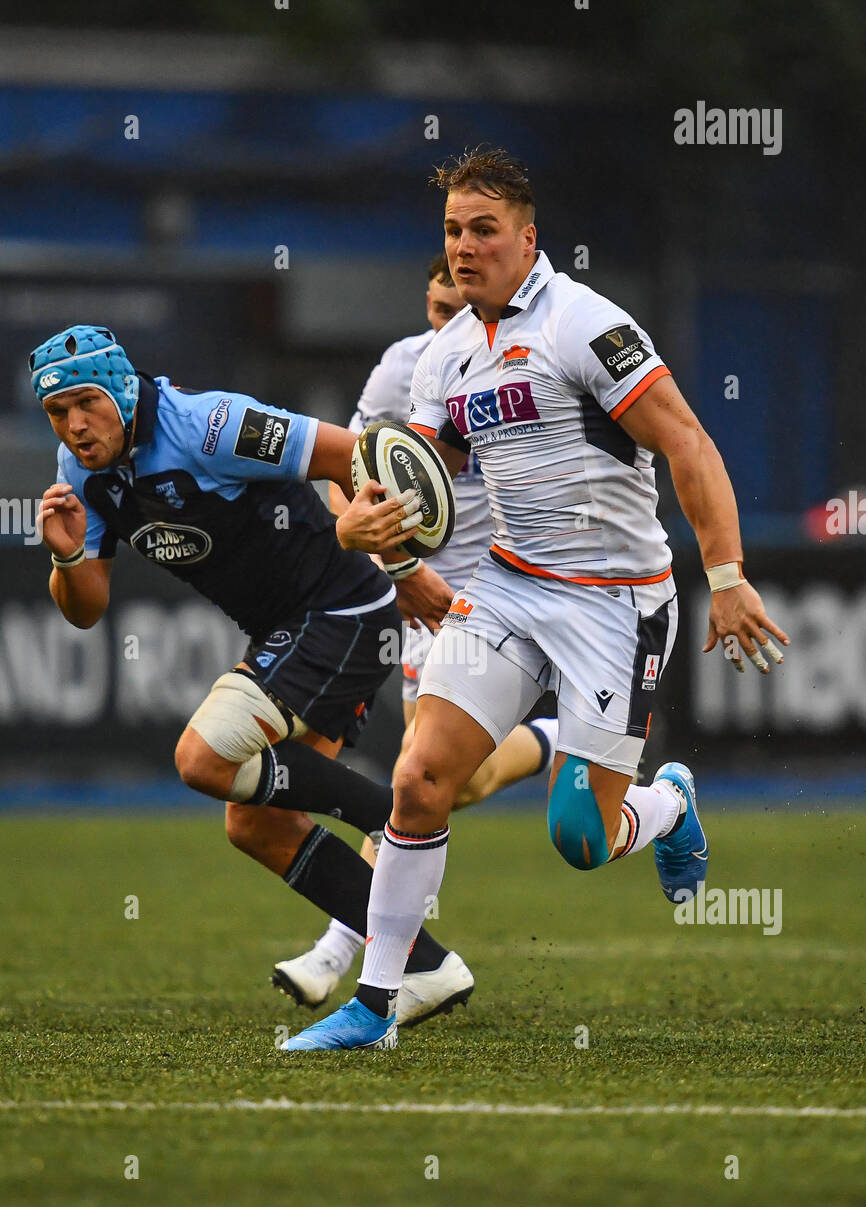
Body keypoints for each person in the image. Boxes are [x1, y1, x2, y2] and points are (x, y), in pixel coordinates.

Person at [281, 146, 790, 1053]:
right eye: (452, 231)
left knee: (580, 840)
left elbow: (690, 444)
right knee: (418, 779)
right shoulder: (443, 356)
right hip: (510, 586)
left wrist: (727, 576)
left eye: (484, 230)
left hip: (616, 603)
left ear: (527, 238)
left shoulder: (584, 326)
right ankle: (375, 1006)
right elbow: (407, 480)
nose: (466, 247)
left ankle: (667, 803)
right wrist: (367, 534)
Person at [31, 323, 473, 1024]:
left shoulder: (209, 425)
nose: (74, 424)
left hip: (342, 609)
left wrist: (403, 563)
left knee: (201, 759)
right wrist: (63, 559)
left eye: (85, 402)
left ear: (120, 386)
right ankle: (426, 965)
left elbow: (354, 457)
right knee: (257, 827)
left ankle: (390, 818)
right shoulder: (79, 469)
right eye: (57, 412)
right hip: (293, 628)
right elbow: (86, 611)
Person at [273, 253, 558, 1023]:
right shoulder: (405, 367)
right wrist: (383, 550)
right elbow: (347, 466)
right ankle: (553, 741)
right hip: (425, 604)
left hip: (511, 594)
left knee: (417, 780)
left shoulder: (532, 363)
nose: (445, 324)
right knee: (443, 785)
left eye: (455, 309)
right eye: (435, 309)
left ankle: (342, 955)